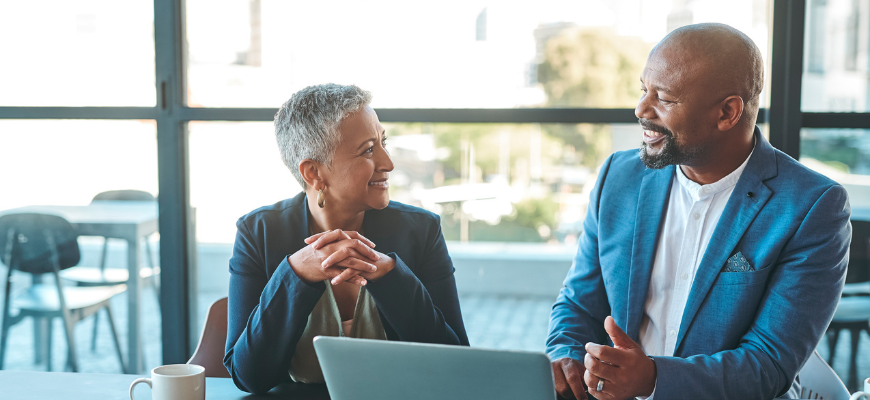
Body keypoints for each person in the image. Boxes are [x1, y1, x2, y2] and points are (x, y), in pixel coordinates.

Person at [547, 23, 851, 400]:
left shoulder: (812, 207)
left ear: (727, 112)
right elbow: (578, 303)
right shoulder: (618, 177)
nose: (642, 109)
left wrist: (654, 379)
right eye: (644, 89)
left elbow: (769, 363)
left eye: (665, 98)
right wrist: (566, 355)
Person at [224, 83, 468, 394]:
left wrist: (391, 276)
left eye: (383, 142)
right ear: (314, 173)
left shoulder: (421, 231)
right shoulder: (257, 233)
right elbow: (248, 377)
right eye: (368, 149)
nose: (388, 163)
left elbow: (456, 361)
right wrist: (294, 275)